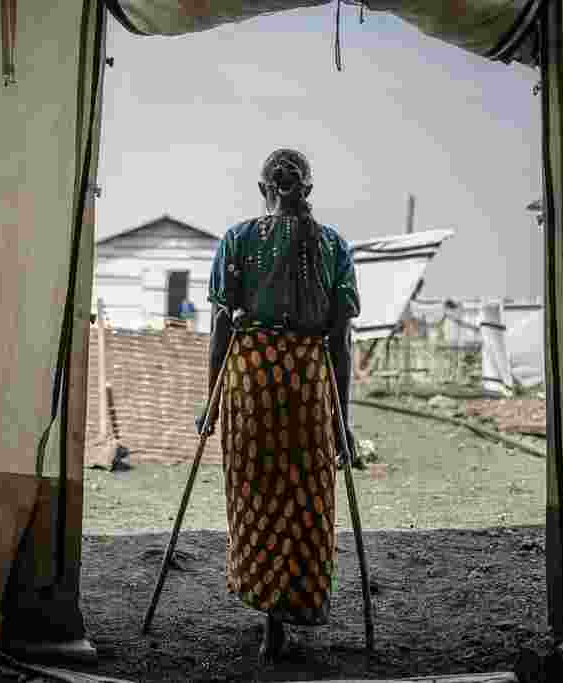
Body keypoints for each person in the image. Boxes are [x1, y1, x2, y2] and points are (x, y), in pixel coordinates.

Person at [196, 149, 360, 661]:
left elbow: (222, 327)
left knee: (258, 495)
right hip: (309, 383)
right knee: (305, 500)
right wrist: (343, 422)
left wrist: (212, 401)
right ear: (307, 189)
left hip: (254, 384)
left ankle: (270, 616)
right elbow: (341, 342)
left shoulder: (237, 240)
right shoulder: (334, 245)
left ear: (262, 186)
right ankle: (289, 610)